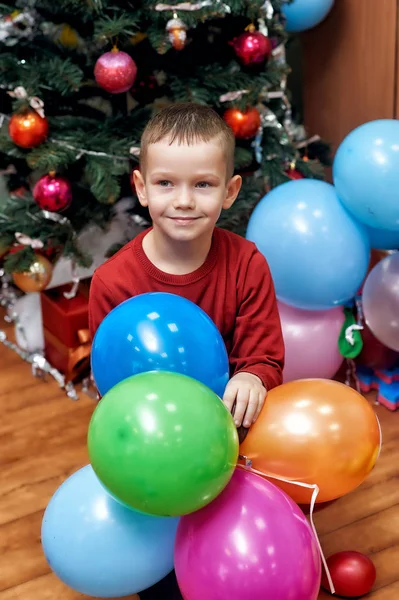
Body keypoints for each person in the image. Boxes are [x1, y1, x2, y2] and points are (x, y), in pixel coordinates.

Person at [88, 102, 284, 596]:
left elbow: (265, 355)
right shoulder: (115, 281)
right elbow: (113, 391)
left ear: (230, 191)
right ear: (140, 187)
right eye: (166, 184)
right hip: (154, 455)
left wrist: (253, 376)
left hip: (230, 444)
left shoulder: (246, 264)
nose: (184, 201)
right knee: (162, 582)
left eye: (202, 184)